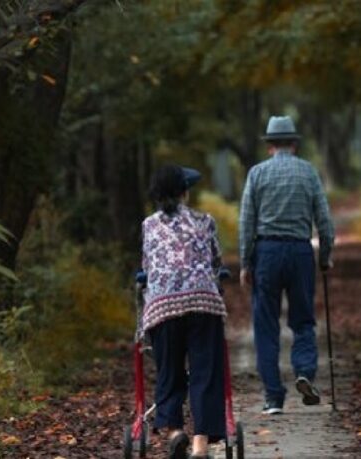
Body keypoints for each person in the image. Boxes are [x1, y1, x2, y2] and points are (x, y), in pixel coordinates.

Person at [238, 115, 335, 415]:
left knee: (266, 325)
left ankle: (273, 398)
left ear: (270, 146)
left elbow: (246, 221)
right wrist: (324, 256)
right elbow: (325, 221)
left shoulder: (256, 174)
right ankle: (304, 370)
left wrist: (245, 261)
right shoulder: (308, 173)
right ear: (294, 144)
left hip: (266, 251)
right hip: (299, 251)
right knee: (303, 319)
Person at [141, 165, 226, 459]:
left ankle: (175, 431)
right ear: (185, 192)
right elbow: (216, 261)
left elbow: (147, 267)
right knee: (205, 372)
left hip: (162, 307)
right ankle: (201, 445)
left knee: (169, 370)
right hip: (203, 304)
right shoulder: (205, 221)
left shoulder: (148, 225)